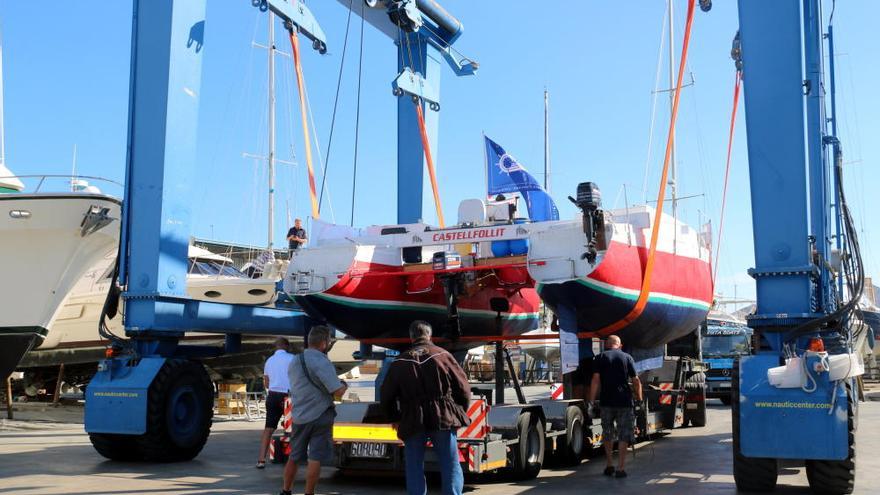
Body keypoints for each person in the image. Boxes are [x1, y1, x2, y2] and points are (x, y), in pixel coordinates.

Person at [380, 321, 471, 495]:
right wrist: (459, 411)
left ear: (411, 337)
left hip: (413, 417)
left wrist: (394, 418)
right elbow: (463, 387)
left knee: (414, 464)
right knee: (449, 461)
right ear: (429, 335)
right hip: (442, 415)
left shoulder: (400, 361)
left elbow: (386, 394)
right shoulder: (443, 355)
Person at [280, 326, 347, 495]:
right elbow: (336, 391)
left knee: (294, 457)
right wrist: (344, 385)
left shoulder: (295, 360)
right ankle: (309, 493)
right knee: (315, 458)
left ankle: (286, 491)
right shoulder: (321, 361)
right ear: (324, 343)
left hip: (300, 416)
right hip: (320, 416)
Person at [589, 335, 643, 478]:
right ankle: (620, 468)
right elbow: (636, 380)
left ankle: (609, 465)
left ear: (607, 345)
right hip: (624, 402)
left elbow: (595, 380)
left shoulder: (599, 358)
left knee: (607, 433)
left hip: (606, 402)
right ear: (620, 345)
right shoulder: (627, 358)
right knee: (624, 434)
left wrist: (591, 401)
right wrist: (639, 399)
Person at [257, 337, 294, 469]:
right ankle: (293, 458)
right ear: (287, 346)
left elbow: (266, 382)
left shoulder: (269, 361)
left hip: (273, 395)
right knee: (293, 428)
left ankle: (261, 460)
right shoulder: (292, 358)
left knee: (269, 428)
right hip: (288, 397)